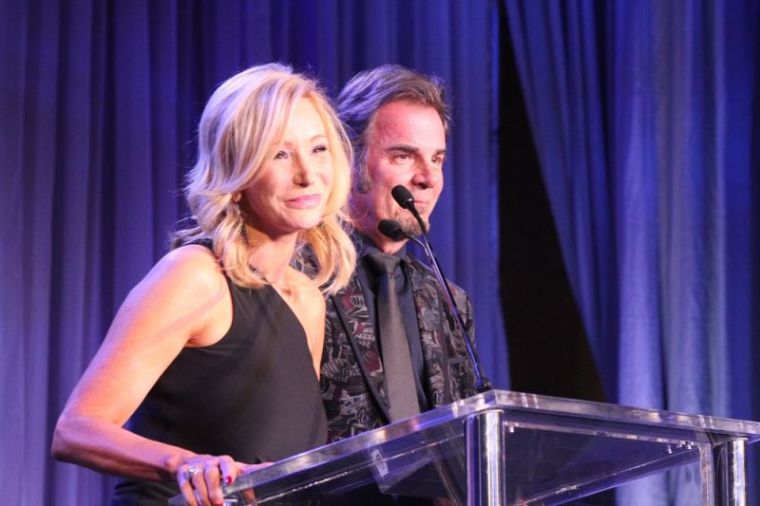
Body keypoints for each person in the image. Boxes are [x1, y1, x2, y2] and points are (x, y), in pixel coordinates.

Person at [52, 63, 356, 506]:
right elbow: (75, 430)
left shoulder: (307, 298)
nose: (308, 175)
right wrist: (186, 465)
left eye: (318, 149)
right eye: (279, 154)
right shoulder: (196, 276)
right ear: (237, 172)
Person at [320, 64, 478, 444]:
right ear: (349, 158)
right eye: (404, 156)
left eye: (437, 159)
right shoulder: (301, 277)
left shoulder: (448, 301)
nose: (428, 177)